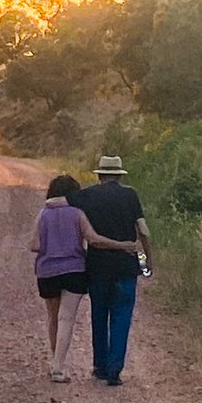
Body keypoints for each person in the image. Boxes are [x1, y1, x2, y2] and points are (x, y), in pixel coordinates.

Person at [30, 174, 137, 383]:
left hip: (47, 271)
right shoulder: (78, 213)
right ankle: (58, 367)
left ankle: (56, 362)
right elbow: (94, 239)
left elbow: (34, 245)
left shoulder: (43, 213)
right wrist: (123, 245)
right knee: (66, 318)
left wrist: (52, 245)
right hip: (74, 269)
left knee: (53, 318)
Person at [68, 155, 153, 387]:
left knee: (99, 315)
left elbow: (62, 203)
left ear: (99, 175)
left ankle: (101, 366)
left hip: (97, 266)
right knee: (121, 317)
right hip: (126, 266)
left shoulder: (86, 196)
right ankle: (115, 369)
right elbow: (143, 232)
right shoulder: (130, 195)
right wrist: (147, 263)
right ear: (119, 174)